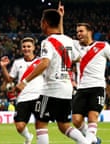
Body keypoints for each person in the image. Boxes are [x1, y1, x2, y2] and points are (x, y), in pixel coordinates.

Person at [16, 9, 89, 144]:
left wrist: (25, 81)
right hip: (66, 88)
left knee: (41, 124)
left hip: (51, 88)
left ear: (45, 23)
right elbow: (77, 58)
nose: (40, 24)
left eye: (41, 21)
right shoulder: (68, 40)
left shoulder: (47, 42)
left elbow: (44, 63)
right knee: (64, 125)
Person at [71, 22, 110, 144]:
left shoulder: (103, 46)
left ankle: (88, 142)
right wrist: (61, 17)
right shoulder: (75, 45)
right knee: (76, 120)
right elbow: (61, 36)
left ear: (90, 32)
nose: (78, 34)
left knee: (92, 117)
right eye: (77, 31)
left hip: (97, 87)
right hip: (81, 88)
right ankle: (95, 140)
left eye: (81, 31)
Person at [0, 37, 47, 144]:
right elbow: (9, 80)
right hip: (23, 98)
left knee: (40, 127)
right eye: (24, 47)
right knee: (19, 126)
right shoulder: (17, 63)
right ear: (21, 48)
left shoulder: (41, 62)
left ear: (34, 48)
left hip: (39, 96)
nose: (26, 49)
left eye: (29, 46)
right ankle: (28, 137)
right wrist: (3, 67)